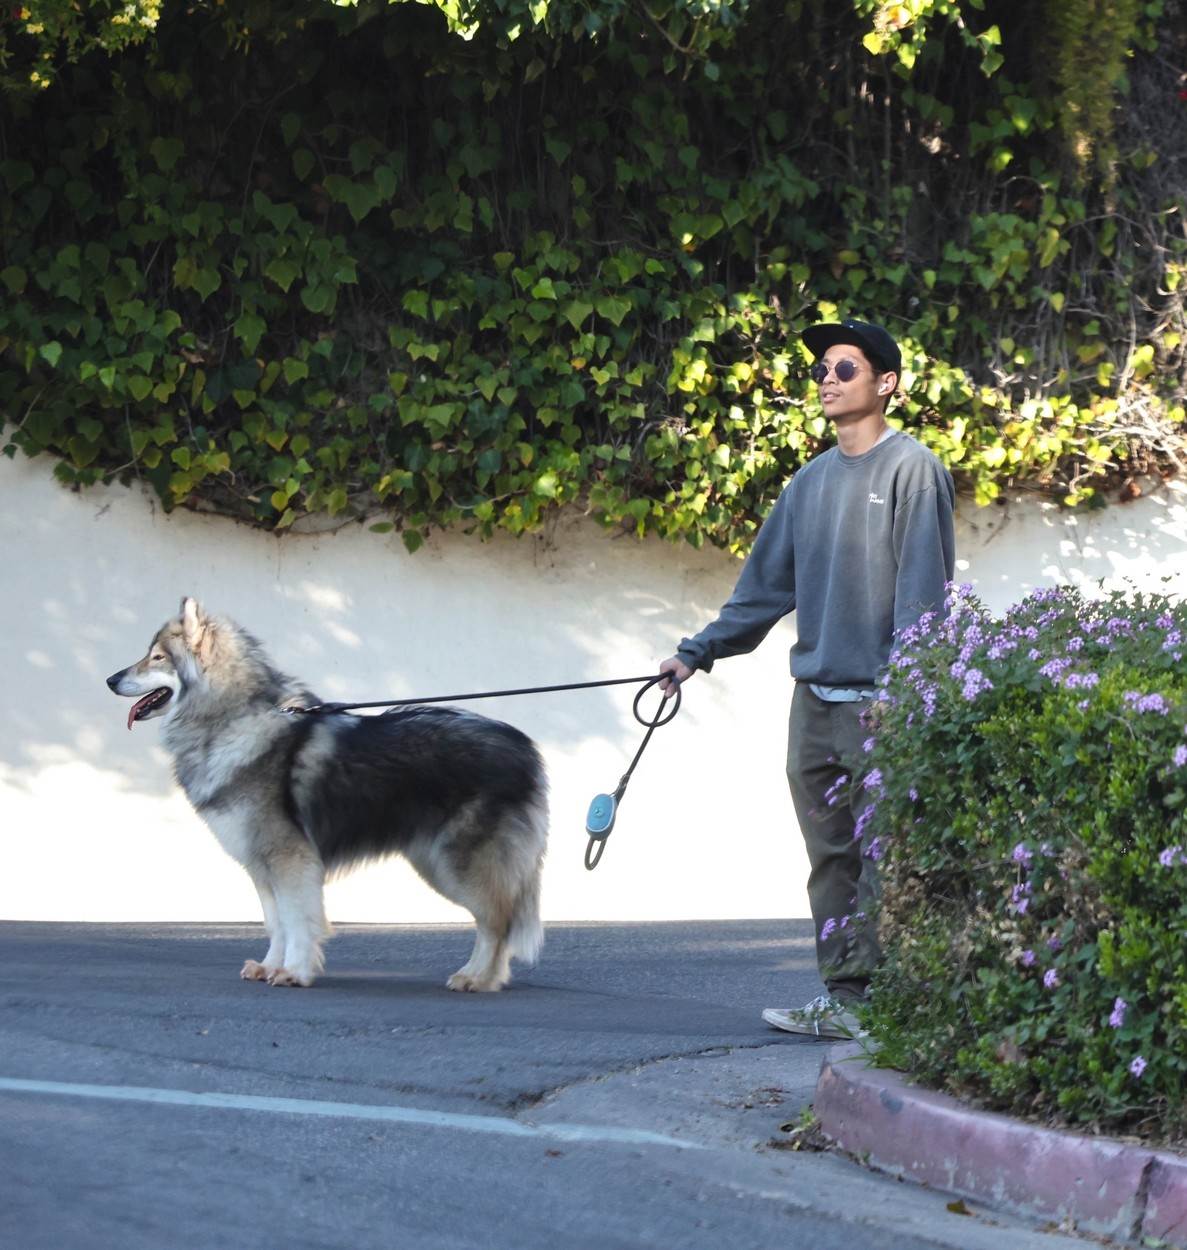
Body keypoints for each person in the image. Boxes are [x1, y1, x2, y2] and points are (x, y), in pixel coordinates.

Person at [659, 318, 955, 1039]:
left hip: (882, 704)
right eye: (821, 369)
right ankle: (845, 998)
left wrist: (905, 689)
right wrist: (694, 652)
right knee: (829, 859)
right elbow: (762, 590)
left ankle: (890, 1006)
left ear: (884, 384)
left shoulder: (912, 469)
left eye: (843, 369)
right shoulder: (808, 483)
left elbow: (924, 595)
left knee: (888, 856)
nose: (826, 379)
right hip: (814, 703)